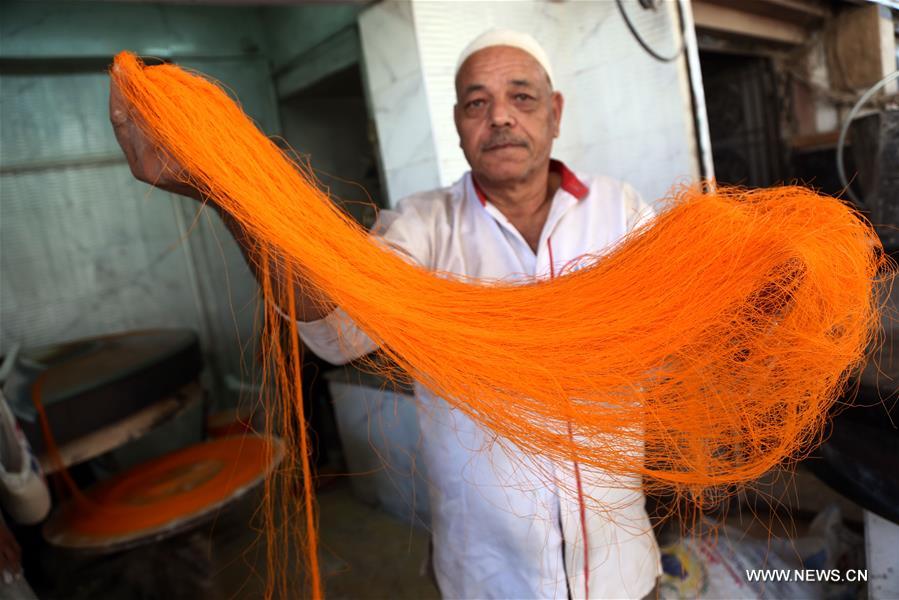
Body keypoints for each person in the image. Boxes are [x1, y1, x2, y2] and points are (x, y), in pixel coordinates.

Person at [111, 28, 660, 599]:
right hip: (487, 576)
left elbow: (672, 344)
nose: (499, 116)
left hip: (623, 569)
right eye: (477, 102)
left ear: (556, 111)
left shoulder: (622, 211)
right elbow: (336, 329)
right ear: (457, 122)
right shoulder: (421, 226)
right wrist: (231, 187)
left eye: (521, 96)